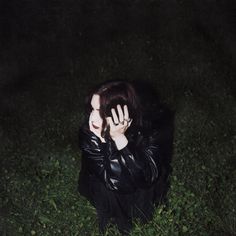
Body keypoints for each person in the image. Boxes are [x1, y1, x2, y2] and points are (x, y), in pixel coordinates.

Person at [78, 80, 174, 235]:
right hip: (108, 186)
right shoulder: (89, 134)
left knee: (145, 181)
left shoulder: (150, 128)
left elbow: (147, 176)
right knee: (105, 185)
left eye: (101, 112)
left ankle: (141, 217)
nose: (93, 118)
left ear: (124, 113)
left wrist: (120, 140)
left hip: (143, 188)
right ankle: (116, 223)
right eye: (92, 109)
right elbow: (113, 182)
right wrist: (105, 141)